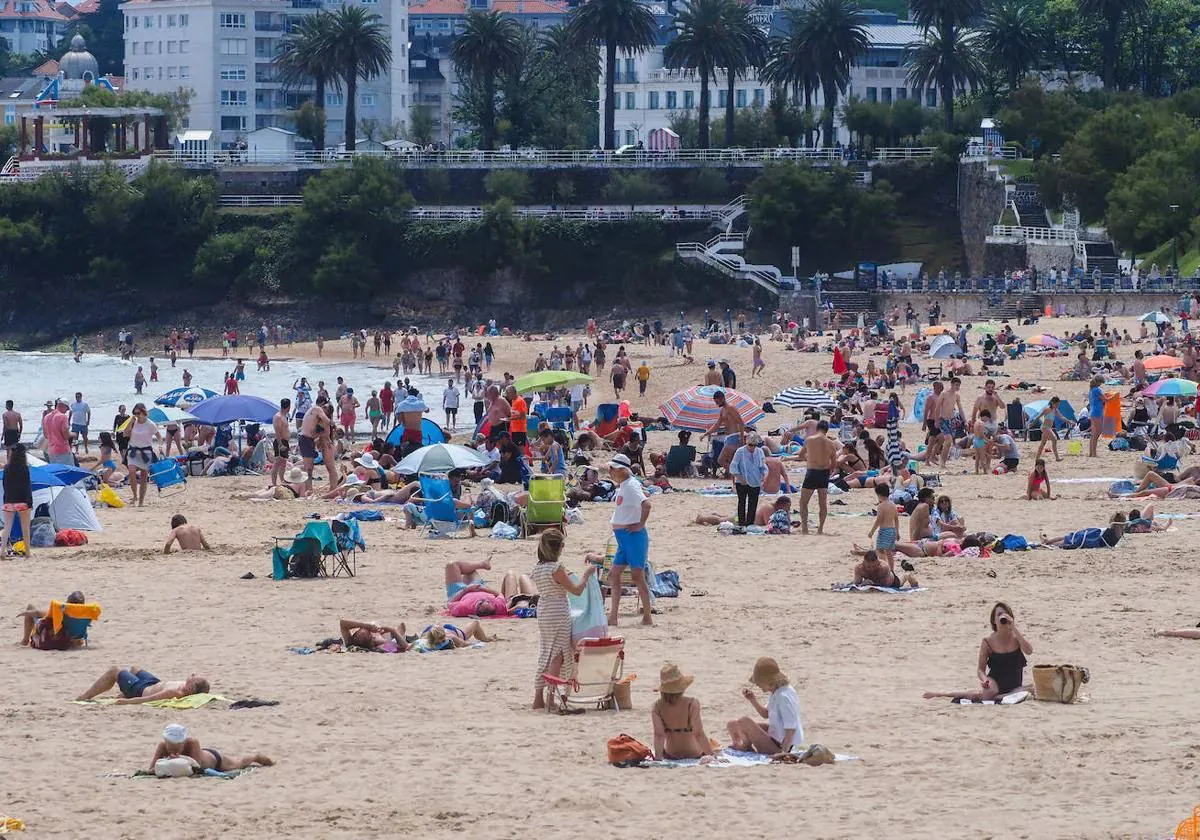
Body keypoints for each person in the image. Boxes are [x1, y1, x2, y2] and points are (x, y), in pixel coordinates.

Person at [532, 529, 598, 711]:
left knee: (547, 651)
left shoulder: (539, 568)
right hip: (557, 612)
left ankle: (539, 697)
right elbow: (576, 590)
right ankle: (550, 696)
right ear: (558, 548)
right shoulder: (556, 568)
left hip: (545, 610)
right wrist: (587, 574)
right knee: (558, 654)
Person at [923, 602, 1033, 701]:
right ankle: (943, 694)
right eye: (999, 615)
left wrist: (1014, 627)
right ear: (994, 621)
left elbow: (1029, 651)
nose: (1002, 618)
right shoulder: (988, 641)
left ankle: (1004, 696)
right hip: (995, 681)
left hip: (1014, 682)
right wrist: (985, 680)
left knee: (1032, 689)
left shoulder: (1016, 637)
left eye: (1005, 614)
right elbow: (980, 669)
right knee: (985, 695)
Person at [607, 453, 653, 627]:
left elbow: (647, 505)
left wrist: (640, 524)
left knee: (637, 576)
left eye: (612, 469)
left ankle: (647, 616)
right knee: (614, 574)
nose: (610, 472)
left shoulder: (631, 485)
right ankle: (613, 616)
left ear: (621, 470)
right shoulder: (626, 485)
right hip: (624, 539)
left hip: (633, 538)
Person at [726, 656, 802, 755]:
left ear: (768, 681)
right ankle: (745, 746)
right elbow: (766, 714)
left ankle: (746, 746)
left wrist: (783, 753)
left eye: (759, 683)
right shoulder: (777, 691)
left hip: (782, 746)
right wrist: (752, 700)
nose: (758, 685)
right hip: (775, 737)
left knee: (744, 721)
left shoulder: (784, 697)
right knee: (734, 724)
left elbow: (791, 729)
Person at [149, 724, 273, 774]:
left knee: (239, 763)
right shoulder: (162, 746)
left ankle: (257, 756)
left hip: (215, 759)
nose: (174, 752)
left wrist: (177, 759)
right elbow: (151, 769)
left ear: (184, 742)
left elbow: (198, 768)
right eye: (171, 748)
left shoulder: (192, 743)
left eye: (177, 748)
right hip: (204, 757)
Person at [651, 664, 714, 762]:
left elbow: (659, 735)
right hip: (694, 753)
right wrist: (712, 755)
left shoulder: (657, 707)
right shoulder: (692, 703)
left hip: (672, 754)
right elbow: (698, 733)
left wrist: (658, 759)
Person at [75, 667, 210, 704]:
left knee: (114, 671)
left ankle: (86, 696)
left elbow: (149, 700)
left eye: (192, 679)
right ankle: (124, 692)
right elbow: (195, 679)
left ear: (191, 688)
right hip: (154, 683)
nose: (190, 677)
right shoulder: (186, 686)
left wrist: (127, 702)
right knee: (134, 668)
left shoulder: (176, 692)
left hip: (140, 690)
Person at [799, 420, 836, 534]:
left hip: (812, 472)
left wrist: (809, 457)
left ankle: (805, 528)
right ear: (826, 430)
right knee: (822, 503)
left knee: (803, 502)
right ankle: (820, 529)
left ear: (817, 429)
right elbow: (834, 463)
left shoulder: (809, 440)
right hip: (824, 473)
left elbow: (800, 455)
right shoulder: (831, 443)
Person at [1, 442, 33, 558]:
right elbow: (26, 486)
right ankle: (28, 553)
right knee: (25, 528)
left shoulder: (7, 468)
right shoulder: (24, 468)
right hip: (22, 501)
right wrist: (29, 502)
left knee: (7, 528)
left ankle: (2, 551)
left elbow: (5, 485)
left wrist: (6, 500)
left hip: (8, 501)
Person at [729, 433, 768, 527]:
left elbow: (763, 466)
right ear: (747, 443)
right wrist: (740, 478)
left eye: (755, 445)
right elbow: (733, 466)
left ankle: (750, 523)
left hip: (755, 481)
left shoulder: (759, 452)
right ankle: (741, 523)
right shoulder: (740, 451)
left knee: (753, 503)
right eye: (750, 445)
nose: (752, 447)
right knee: (741, 502)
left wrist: (764, 477)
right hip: (741, 481)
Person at [125, 403, 159, 507]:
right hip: (133, 451)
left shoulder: (150, 424)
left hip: (146, 452)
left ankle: (141, 501)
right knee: (131, 471)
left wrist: (160, 445)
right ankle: (135, 495)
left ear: (144, 413)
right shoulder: (133, 422)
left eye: (138, 413)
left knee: (144, 477)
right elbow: (125, 434)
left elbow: (159, 436)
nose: (136, 415)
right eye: (134, 413)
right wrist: (130, 423)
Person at [1042, 512, 1127, 548]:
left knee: (1066, 538)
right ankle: (1047, 542)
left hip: (1090, 538)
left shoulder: (1110, 531)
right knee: (1066, 540)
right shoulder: (1118, 533)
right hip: (1089, 540)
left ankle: (1047, 541)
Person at [867, 484, 899, 569]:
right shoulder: (893, 505)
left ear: (879, 495)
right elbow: (896, 519)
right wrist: (897, 532)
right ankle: (891, 568)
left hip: (884, 530)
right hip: (892, 530)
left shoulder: (881, 506)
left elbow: (879, 520)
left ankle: (884, 567)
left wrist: (872, 531)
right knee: (889, 552)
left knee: (880, 551)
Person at [854, 549, 918, 589]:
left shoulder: (883, 567)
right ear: (864, 563)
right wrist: (862, 583)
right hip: (875, 581)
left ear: (878, 563)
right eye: (868, 567)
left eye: (874, 566)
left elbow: (885, 586)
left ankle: (908, 573)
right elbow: (856, 583)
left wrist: (871, 583)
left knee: (902, 581)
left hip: (892, 582)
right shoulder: (859, 568)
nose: (871, 569)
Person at [1032, 396, 1069, 462]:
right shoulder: (1047, 409)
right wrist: (1032, 423)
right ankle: (1057, 458)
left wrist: (1069, 421)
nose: (1057, 406)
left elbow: (1062, 417)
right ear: (1052, 403)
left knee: (1043, 443)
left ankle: (1037, 458)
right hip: (1045, 427)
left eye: (1058, 404)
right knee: (1054, 439)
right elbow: (1038, 417)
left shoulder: (1055, 410)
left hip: (1048, 428)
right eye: (1056, 404)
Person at [42, 399, 72, 465]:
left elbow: (45, 435)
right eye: (66, 408)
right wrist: (73, 434)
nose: (67, 411)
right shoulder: (63, 417)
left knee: (56, 471)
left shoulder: (46, 417)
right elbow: (66, 436)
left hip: (51, 450)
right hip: (62, 449)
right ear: (63, 406)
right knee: (69, 470)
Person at [271, 399, 291, 486]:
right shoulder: (278, 417)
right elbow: (277, 431)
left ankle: (282, 480)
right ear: (288, 406)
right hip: (280, 442)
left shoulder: (284, 416)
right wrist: (280, 444)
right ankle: (274, 483)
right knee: (277, 463)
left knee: (283, 463)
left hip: (285, 441)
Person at [1087, 375, 1105, 458]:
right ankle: (1093, 453)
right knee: (1097, 433)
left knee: (1093, 434)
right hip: (1097, 412)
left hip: (1093, 412)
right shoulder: (1096, 390)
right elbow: (1105, 399)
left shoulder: (1091, 390)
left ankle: (1091, 453)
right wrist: (1115, 397)